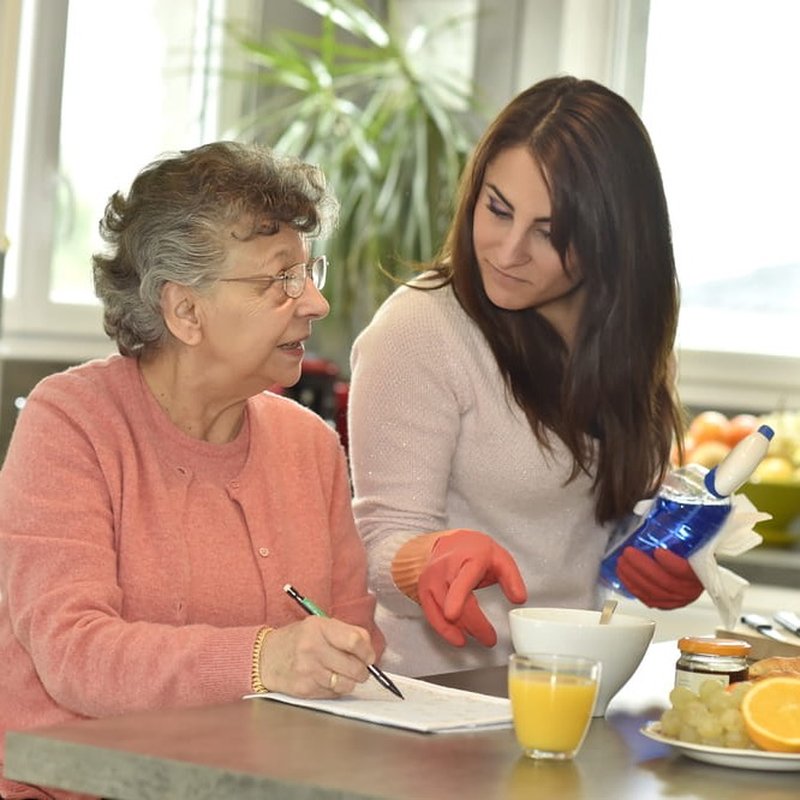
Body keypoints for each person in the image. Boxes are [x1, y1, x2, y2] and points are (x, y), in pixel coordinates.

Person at [0, 141, 385, 800]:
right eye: (279, 278)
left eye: (308, 270)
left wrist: (335, 659)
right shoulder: (70, 423)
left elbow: (355, 647)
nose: (314, 303)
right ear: (184, 311)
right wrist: (267, 658)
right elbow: (75, 654)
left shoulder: (310, 444)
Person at [347, 76, 702, 677]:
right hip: (438, 697)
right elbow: (380, 542)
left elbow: (588, 532)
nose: (508, 251)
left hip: (572, 686)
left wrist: (666, 558)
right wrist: (429, 558)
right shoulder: (421, 327)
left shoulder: (632, 343)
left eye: (550, 233)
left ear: (613, 241)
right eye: (498, 209)